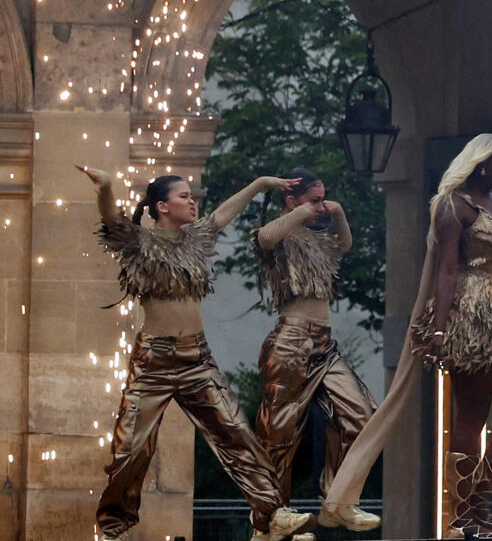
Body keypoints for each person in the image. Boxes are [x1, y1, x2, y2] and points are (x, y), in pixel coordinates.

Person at [318, 134, 492, 538]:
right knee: (472, 416)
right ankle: (464, 519)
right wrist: (439, 328)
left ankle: (479, 500)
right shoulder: (454, 207)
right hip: (467, 318)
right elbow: (446, 270)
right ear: (482, 164)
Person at [77, 166, 315, 541]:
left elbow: (223, 213)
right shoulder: (138, 243)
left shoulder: (196, 239)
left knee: (236, 432)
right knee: (130, 448)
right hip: (153, 361)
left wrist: (259, 184)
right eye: (184, 196)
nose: (192, 201)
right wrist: (106, 186)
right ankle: (113, 529)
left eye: (192, 196)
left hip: (196, 359)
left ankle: (273, 515)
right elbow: (110, 217)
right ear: (162, 206)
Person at [251, 168, 378, 536]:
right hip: (290, 340)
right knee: (279, 432)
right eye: (315, 199)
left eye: (324, 198)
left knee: (361, 415)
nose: (321, 206)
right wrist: (302, 211)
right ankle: (270, 519)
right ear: (292, 202)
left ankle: (337, 501)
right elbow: (267, 236)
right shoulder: (281, 235)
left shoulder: (318, 240)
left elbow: (345, 244)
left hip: (324, 344)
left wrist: (336, 213)